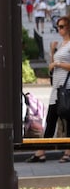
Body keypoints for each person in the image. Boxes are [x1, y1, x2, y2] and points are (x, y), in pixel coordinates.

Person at [28, 15, 70, 163]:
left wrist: (57, 64)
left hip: (67, 88)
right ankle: (41, 151)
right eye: (58, 27)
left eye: (62, 26)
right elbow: (52, 68)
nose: (59, 29)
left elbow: (60, 65)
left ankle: (67, 152)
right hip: (56, 89)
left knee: (68, 120)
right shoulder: (62, 44)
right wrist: (52, 52)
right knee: (50, 119)